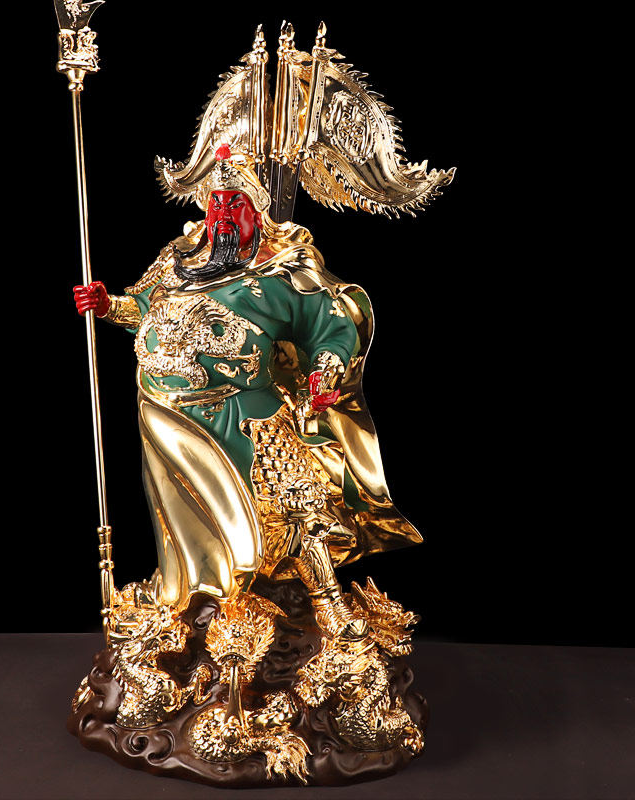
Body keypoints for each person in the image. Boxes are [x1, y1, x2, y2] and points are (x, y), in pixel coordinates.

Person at [74, 144, 421, 641]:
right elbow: (145, 311)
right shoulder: (177, 261)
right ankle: (203, 601)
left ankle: (327, 604)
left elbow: (330, 326)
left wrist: (326, 370)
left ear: (257, 211)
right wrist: (109, 306)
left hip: (249, 412)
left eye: (234, 203)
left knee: (296, 504)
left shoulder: (282, 273)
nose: (222, 214)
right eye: (215, 204)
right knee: (190, 520)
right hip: (170, 419)